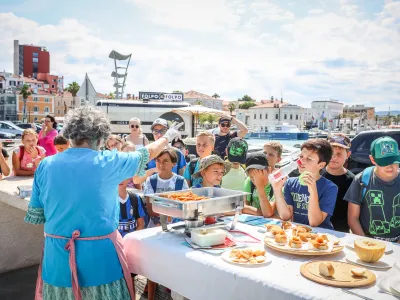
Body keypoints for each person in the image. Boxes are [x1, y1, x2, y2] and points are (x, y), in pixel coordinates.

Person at [24, 105, 183, 299]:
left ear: (70, 136)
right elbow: (146, 154)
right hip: (101, 262)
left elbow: (37, 215)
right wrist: (168, 137)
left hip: (57, 262)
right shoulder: (108, 161)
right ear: (100, 137)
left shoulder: (45, 165)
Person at [272, 139, 338, 229]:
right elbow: (285, 216)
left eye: (309, 159)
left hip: (321, 235)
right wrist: (277, 190)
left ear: (321, 165)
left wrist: (313, 191)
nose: (302, 161)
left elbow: (314, 222)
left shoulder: (330, 188)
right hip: (299, 232)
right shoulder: (290, 183)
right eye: (301, 156)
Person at [345, 136, 400, 243]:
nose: (390, 166)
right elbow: (353, 218)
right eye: (383, 162)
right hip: (368, 240)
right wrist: (366, 243)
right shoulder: (362, 180)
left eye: (393, 161)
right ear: (372, 159)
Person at [144, 148, 189, 227]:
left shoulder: (180, 181)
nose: (161, 165)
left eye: (165, 161)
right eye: (158, 161)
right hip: (155, 226)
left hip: (176, 226)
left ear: (173, 163)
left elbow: (185, 207)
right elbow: (150, 209)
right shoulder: (151, 181)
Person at [321, 134, 354, 232]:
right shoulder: (316, 175)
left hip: (341, 232)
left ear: (347, 155)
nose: (333, 157)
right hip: (317, 228)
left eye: (339, 154)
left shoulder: (352, 181)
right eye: (331, 153)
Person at [242, 152, 275, 217]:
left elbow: (268, 213)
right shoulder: (249, 181)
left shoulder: (276, 185)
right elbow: (243, 206)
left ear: (269, 170)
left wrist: (260, 186)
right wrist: (260, 213)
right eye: (252, 177)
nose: (255, 180)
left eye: (259, 174)